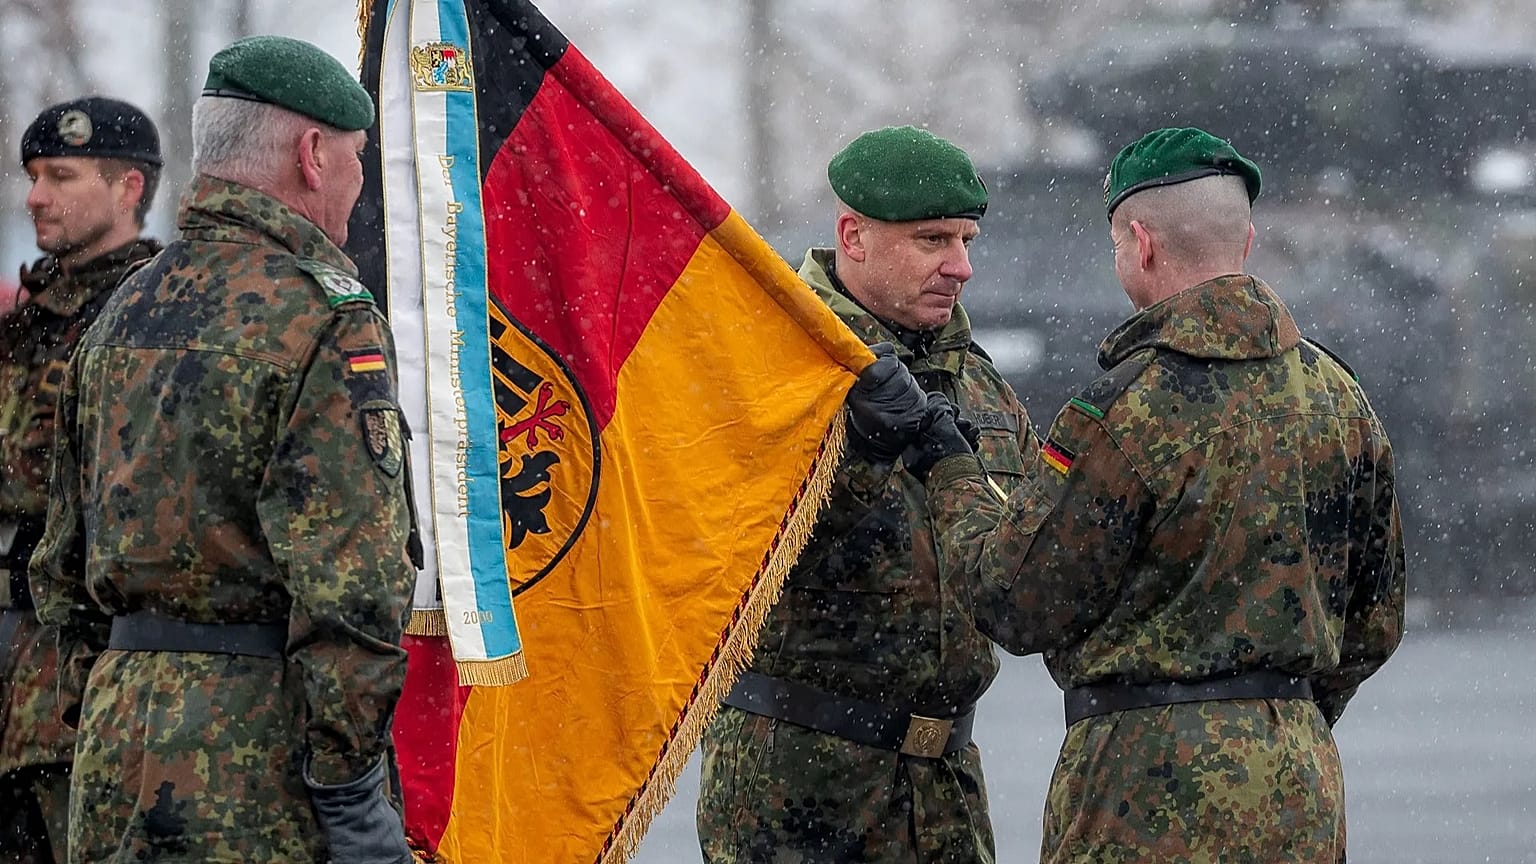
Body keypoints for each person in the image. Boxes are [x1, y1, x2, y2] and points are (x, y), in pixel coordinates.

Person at [913, 127, 1406, 861]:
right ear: (1246, 242)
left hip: (1139, 788)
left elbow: (1014, 600)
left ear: (1140, 243)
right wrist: (1269, 708)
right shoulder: (1340, 398)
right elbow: (1376, 618)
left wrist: (947, 463)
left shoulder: (1126, 407)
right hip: (1298, 785)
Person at [29, 36, 417, 864]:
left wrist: (111, 700)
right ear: (313, 154)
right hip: (257, 770)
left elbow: (58, 568)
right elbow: (354, 592)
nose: (359, 181)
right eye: (356, 157)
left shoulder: (122, 308)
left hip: (111, 753)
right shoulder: (324, 316)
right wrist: (351, 796)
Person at [697, 125, 1038, 863]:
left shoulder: (983, 386)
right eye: (931, 240)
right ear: (852, 236)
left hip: (945, 785)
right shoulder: (772, 364)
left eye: (967, 240)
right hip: (799, 783)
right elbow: (721, 553)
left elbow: (1031, 556)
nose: (961, 267)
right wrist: (854, 455)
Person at [0, 96, 163, 864]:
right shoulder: (25, 320)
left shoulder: (153, 315)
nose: (35, 195)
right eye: (34, 175)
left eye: (60, 175)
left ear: (129, 186)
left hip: (74, 681)